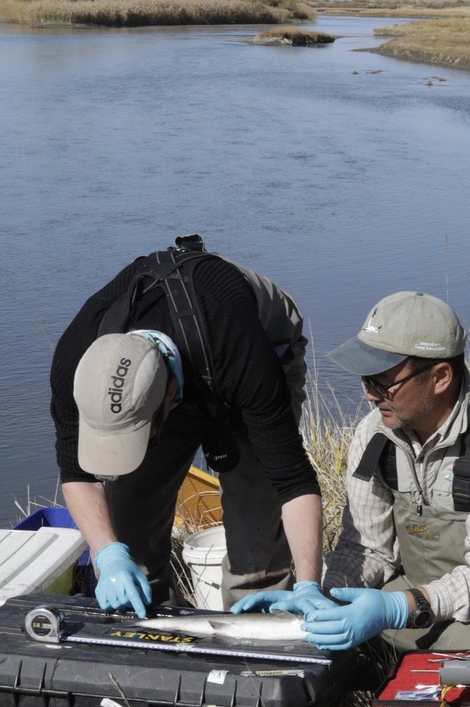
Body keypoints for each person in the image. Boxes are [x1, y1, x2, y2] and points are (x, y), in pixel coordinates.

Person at [237, 291, 470, 659]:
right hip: (421, 593)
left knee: (466, 653)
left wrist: (399, 608)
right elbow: (366, 548)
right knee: (312, 635)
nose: (370, 396)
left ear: (440, 376)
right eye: (365, 380)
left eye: (382, 382)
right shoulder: (373, 434)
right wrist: (321, 596)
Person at [50, 234, 324, 619]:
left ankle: (255, 649)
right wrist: (108, 553)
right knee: (129, 536)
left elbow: (292, 481)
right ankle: (154, 638)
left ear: (172, 395)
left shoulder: (242, 354)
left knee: (256, 545)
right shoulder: (75, 362)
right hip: (171, 373)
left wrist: (310, 584)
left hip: (260, 341)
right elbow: (76, 471)